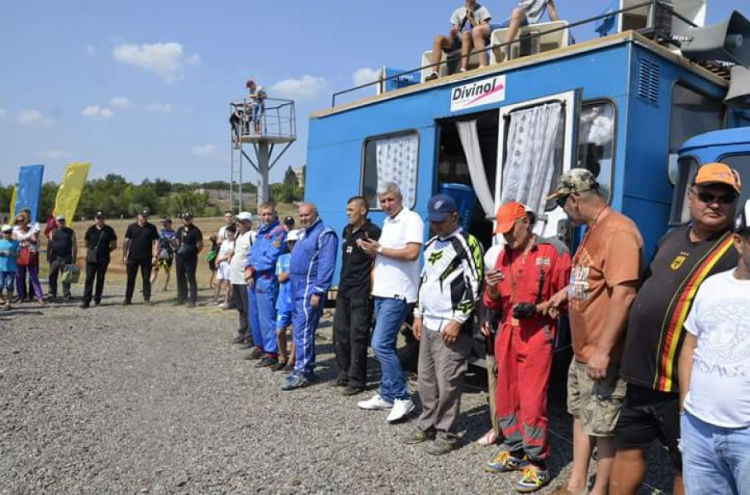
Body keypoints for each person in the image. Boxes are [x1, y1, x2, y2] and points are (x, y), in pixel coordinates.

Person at [611, 162, 742, 495]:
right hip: (641, 374)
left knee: (686, 463)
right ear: (690, 196)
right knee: (628, 446)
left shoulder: (736, 251)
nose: (714, 203)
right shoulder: (671, 237)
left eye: (724, 199)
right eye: (707, 195)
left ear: (735, 205)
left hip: (681, 382)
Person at [544, 169, 643, 495]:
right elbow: (590, 279)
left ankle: (598, 491)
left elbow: (624, 294)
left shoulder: (618, 231)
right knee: (581, 416)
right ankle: (575, 486)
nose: (562, 212)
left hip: (603, 354)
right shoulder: (592, 229)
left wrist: (603, 350)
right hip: (583, 350)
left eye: (562, 205)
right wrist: (565, 294)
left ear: (574, 199)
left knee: (603, 427)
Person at [483, 202, 572, 492]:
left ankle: (538, 462)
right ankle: (515, 449)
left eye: (510, 231)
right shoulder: (502, 257)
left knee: (532, 398)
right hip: (507, 332)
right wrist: (492, 290)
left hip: (537, 334)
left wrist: (539, 309)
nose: (506, 238)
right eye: (503, 233)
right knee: (507, 394)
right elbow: (493, 302)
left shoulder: (553, 251)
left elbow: (568, 294)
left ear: (526, 222)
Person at [400, 194, 483, 455]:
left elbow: (476, 284)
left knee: (448, 381)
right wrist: (418, 314)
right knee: (425, 379)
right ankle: (427, 424)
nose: (436, 225)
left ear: (455, 216)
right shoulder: (432, 244)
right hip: (429, 324)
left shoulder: (467, 243)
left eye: (441, 221)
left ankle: (447, 432)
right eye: (433, 221)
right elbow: (426, 282)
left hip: (450, 326)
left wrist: (459, 320)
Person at [677, 199, 750, 495]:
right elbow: (689, 345)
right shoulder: (712, 286)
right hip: (697, 429)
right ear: (739, 242)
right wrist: (685, 405)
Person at [358, 181, 424, 423]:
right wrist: (372, 250)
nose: (386, 205)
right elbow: (387, 253)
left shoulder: (411, 219)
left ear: (399, 198)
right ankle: (387, 394)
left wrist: (381, 248)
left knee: (380, 344)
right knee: (382, 343)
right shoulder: (388, 222)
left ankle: (401, 397)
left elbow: (412, 253)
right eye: (383, 201)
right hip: (384, 291)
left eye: (390, 200)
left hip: (400, 292)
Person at [282, 203, 338, 390]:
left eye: (307, 215)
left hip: (309, 287)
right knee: (298, 330)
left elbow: (326, 265)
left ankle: (303, 372)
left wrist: (319, 291)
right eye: (301, 215)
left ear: (316, 214)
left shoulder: (324, 234)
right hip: (296, 287)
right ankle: (304, 367)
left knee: (304, 330)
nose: (304, 218)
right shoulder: (303, 233)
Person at [333, 196, 382, 396]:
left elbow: (379, 259)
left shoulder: (373, 232)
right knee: (340, 334)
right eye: (347, 209)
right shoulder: (347, 230)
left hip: (361, 292)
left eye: (351, 209)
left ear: (363, 211)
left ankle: (357, 380)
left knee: (357, 337)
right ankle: (344, 371)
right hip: (344, 290)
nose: (348, 213)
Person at [244, 202, 288, 365]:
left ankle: (271, 352)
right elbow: (252, 253)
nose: (266, 217)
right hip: (254, 278)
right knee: (254, 314)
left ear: (275, 214)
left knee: (267, 316)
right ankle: (260, 345)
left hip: (266, 278)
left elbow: (272, 256)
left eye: (269, 214)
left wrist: (253, 269)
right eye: (263, 214)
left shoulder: (279, 233)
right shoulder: (261, 233)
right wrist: (248, 268)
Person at [426, 0, 497, 80]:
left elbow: (484, 29)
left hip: (473, 38)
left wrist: (472, 21)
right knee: (438, 38)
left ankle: (463, 68)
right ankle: (434, 73)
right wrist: (453, 32)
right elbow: (455, 28)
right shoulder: (458, 12)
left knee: (466, 34)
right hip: (458, 39)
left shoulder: (482, 10)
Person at [497, 0, 563, 62]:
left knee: (517, 12)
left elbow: (552, 14)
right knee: (487, 28)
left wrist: (564, 28)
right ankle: (489, 63)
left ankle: (504, 50)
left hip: (526, 20)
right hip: (511, 21)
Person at [273, 229, 299, 372]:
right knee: (279, 331)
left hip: (297, 300)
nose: (292, 245)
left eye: (295, 242)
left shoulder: (303, 258)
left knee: (296, 331)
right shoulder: (282, 259)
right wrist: (291, 271)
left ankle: (292, 359)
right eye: (290, 242)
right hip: (283, 300)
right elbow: (280, 278)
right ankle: (282, 357)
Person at [81, 212, 118, 309]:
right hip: (91, 259)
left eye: (101, 218)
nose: (99, 220)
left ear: (104, 219)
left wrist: (106, 251)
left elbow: (114, 245)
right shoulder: (91, 229)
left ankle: (97, 299)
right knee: (89, 279)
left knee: (100, 278)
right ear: (95, 219)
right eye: (98, 218)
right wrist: (93, 251)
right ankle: (86, 301)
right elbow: (86, 243)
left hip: (103, 258)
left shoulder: (109, 230)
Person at [123, 210, 159, 305]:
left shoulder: (151, 228)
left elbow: (155, 241)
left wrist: (155, 255)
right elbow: (126, 241)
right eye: (142, 216)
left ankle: (147, 298)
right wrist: (124, 256)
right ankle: (128, 298)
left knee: (146, 279)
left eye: (146, 216)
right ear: (138, 217)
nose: (144, 218)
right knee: (130, 279)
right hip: (132, 257)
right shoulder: (131, 227)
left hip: (146, 257)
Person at [229, 212, 255, 347]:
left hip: (245, 279)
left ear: (249, 223)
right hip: (235, 278)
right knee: (240, 308)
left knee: (248, 308)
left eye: (242, 222)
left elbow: (255, 256)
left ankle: (251, 337)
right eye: (238, 221)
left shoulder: (252, 236)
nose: (238, 224)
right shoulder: (238, 236)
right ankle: (242, 332)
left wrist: (251, 272)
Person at [13, 214, 44, 306]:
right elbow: (14, 239)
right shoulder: (16, 230)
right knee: (19, 277)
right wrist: (28, 238)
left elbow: (35, 239)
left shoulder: (32, 229)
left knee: (34, 277)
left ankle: (39, 297)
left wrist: (22, 239)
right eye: (18, 221)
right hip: (19, 255)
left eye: (22, 220)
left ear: (26, 221)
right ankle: (21, 296)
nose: (21, 222)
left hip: (31, 255)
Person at [174, 213, 203, 307]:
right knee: (180, 277)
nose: (186, 220)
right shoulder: (180, 230)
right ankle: (181, 297)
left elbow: (199, 244)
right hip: (180, 256)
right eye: (185, 219)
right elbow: (177, 241)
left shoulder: (195, 230)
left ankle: (193, 299)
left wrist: (193, 252)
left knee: (191, 277)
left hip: (190, 257)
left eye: (188, 219)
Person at [47, 215, 77, 302]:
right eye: (59, 221)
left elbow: (74, 245)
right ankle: (52, 293)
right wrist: (48, 256)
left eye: (62, 220)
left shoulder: (70, 231)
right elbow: (49, 244)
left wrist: (74, 257)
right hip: (55, 257)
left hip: (67, 257)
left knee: (67, 277)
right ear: (56, 222)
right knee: (52, 276)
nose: (61, 222)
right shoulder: (52, 232)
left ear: (65, 221)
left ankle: (67, 294)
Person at [151, 218, 177, 292]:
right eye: (163, 223)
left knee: (166, 270)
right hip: (159, 253)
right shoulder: (160, 232)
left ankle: (165, 287)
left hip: (168, 254)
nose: (163, 224)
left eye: (165, 223)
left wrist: (171, 241)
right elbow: (156, 242)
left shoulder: (173, 233)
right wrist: (155, 253)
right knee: (155, 269)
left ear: (169, 224)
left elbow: (175, 245)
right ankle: (149, 285)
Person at [215, 226, 235, 307]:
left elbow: (231, 254)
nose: (228, 234)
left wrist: (222, 259)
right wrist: (217, 260)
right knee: (217, 282)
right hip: (221, 264)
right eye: (227, 232)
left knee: (228, 284)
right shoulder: (224, 242)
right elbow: (220, 252)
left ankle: (227, 301)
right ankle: (215, 299)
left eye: (230, 232)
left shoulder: (235, 243)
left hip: (228, 264)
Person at [0, 224, 19, 310]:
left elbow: (18, 255)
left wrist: (11, 254)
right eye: (5, 232)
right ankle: (1, 299)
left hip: (11, 268)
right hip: (0, 267)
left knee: (9, 285)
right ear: (2, 233)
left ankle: (8, 302)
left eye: (9, 232)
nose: (7, 234)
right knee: (0, 284)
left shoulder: (15, 243)